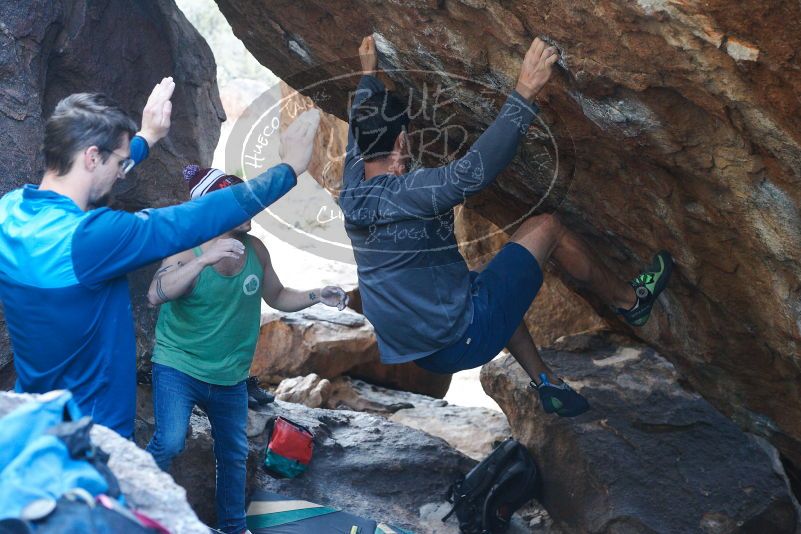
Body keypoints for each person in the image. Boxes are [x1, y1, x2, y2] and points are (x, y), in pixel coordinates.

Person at [339, 36, 673, 417]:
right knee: (547, 226)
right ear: (402, 139)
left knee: (487, 282)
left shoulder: (352, 190)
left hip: (419, 353)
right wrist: (525, 91)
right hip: (461, 338)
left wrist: (369, 76)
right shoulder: (410, 191)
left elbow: (356, 131)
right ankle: (631, 302)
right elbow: (472, 172)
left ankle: (545, 381)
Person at [0, 77, 321, 438]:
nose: (122, 171)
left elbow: (94, 173)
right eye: (119, 161)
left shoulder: (10, 212)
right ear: (92, 156)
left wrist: (146, 138)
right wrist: (288, 169)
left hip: (37, 417)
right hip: (93, 433)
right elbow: (194, 218)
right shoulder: (92, 239)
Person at [143, 165, 348, 534]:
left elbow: (279, 296)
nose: (250, 211)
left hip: (230, 377)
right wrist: (204, 259)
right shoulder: (186, 248)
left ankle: (233, 529)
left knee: (234, 455)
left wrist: (319, 294)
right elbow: (156, 292)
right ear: (214, 209)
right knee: (171, 441)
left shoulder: (256, 251)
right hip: (179, 366)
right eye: (240, 204)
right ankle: (131, 504)